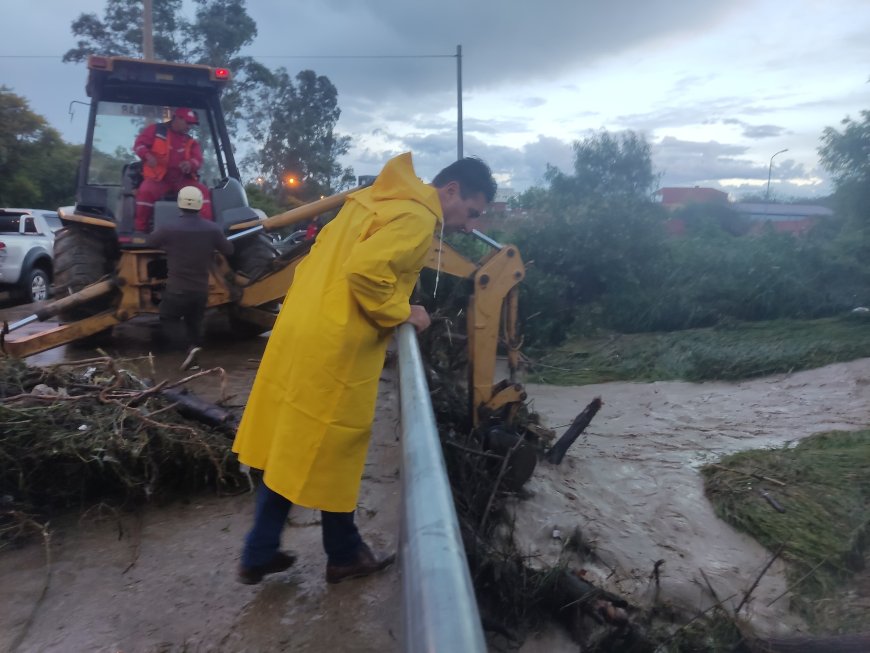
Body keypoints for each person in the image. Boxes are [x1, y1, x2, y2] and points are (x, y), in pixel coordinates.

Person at [232, 152, 496, 585]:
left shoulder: (376, 200)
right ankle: (338, 552)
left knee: (293, 442)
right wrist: (403, 312)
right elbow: (366, 271)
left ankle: (271, 549)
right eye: (472, 212)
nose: (470, 225)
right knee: (334, 444)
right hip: (335, 342)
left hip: (302, 325)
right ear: (451, 191)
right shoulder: (415, 219)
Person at [146, 186, 233, 371]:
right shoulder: (212, 229)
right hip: (200, 290)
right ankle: (194, 358)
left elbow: (150, 241)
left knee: (168, 317)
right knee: (194, 323)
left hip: (177, 289)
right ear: (201, 204)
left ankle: (188, 348)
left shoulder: (169, 228)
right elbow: (229, 250)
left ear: (179, 204)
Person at [133, 107, 213, 233]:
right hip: (159, 179)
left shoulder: (191, 142)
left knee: (202, 191)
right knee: (145, 190)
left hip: (182, 180)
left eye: (192, 124)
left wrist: (190, 164)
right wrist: (147, 155)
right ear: (177, 118)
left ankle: (207, 230)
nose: (189, 127)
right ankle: (140, 231)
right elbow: (138, 145)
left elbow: (198, 160)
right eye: (188, 123)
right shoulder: (156, 130)